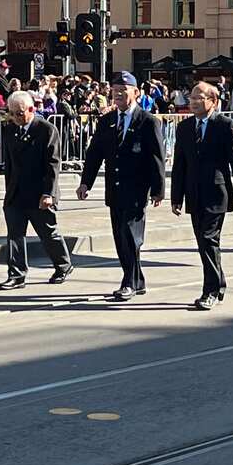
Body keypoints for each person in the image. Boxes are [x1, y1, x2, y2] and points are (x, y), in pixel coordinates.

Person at [77, 72, 165, 302]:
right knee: (120, 236)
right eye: (115, 89)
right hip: (114, 189)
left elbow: (157, 157)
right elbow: (95, 153)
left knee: (131, 235)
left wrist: (158, 189)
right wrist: (86, 182)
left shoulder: (148, 121)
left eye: (123, 89)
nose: (118, 93)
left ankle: (129, 282)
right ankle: (138, 280)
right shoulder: (107, 120)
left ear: (136, 93)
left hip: (137, 188)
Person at [170, 81, 233, 310]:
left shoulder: (224, 125)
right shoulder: (185, 128)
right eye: (191, 98)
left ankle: (211, 290)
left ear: (213, 101)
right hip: (194, 194)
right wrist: (176, 196)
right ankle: (219, 282)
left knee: (208, 239)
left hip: (217, 193)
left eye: (199, 98)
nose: (193, 102)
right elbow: (180, 164)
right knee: (204, 242)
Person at [0, 91, 74, 290]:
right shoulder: (10, 129)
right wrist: (8, 192)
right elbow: (10, 164)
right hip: (16, 193)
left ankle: (63, 265)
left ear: (31, 109)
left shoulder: (46, 129)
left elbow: (53, 164)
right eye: (12, 113)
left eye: (19, 113)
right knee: (14, 234)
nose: (15, 118)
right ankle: (16, 274)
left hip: (39, 192)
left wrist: (49, 193)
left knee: (48, 233)